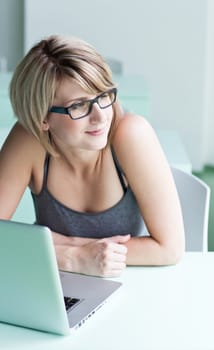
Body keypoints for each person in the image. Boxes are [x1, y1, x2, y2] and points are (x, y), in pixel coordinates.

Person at [0, 35, 185, 277]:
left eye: (103, 95)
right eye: (78, 105)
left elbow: (169, 249)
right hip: (54, 279)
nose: (100, 116)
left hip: (129, 279)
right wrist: (73, 257)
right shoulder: (29, 139)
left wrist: (67, 246)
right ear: (42, 118)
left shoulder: (130, 134)